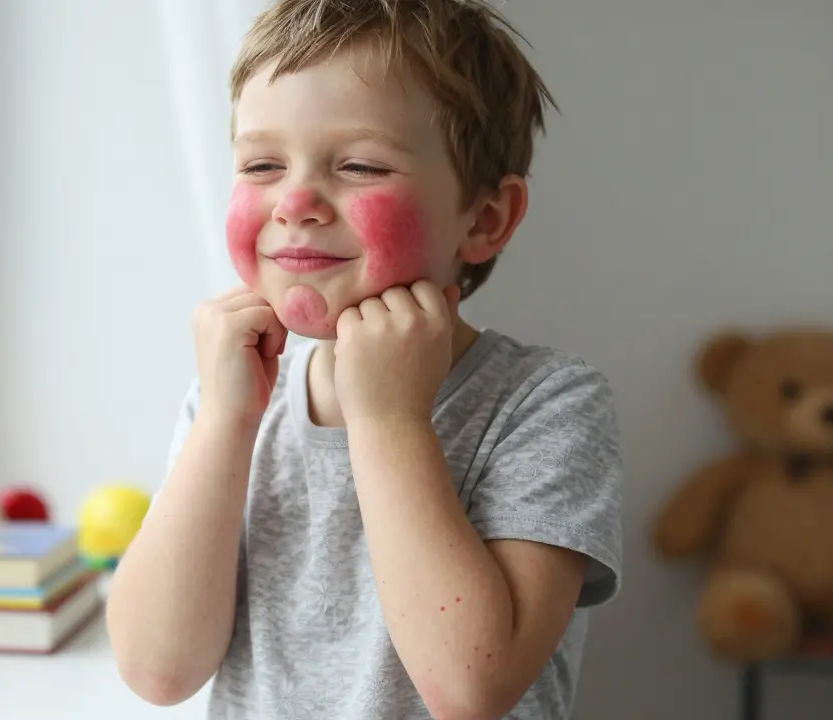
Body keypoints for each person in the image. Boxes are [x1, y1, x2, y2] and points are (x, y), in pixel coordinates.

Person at [106, 0, 623, 718]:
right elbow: (158, 670)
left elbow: (470, 687)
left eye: (357, 164)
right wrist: (225, 418)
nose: (294, 201)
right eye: (261, 163)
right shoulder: (230, 393)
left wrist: (386, 419)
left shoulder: (547, 402)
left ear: (485, 219)